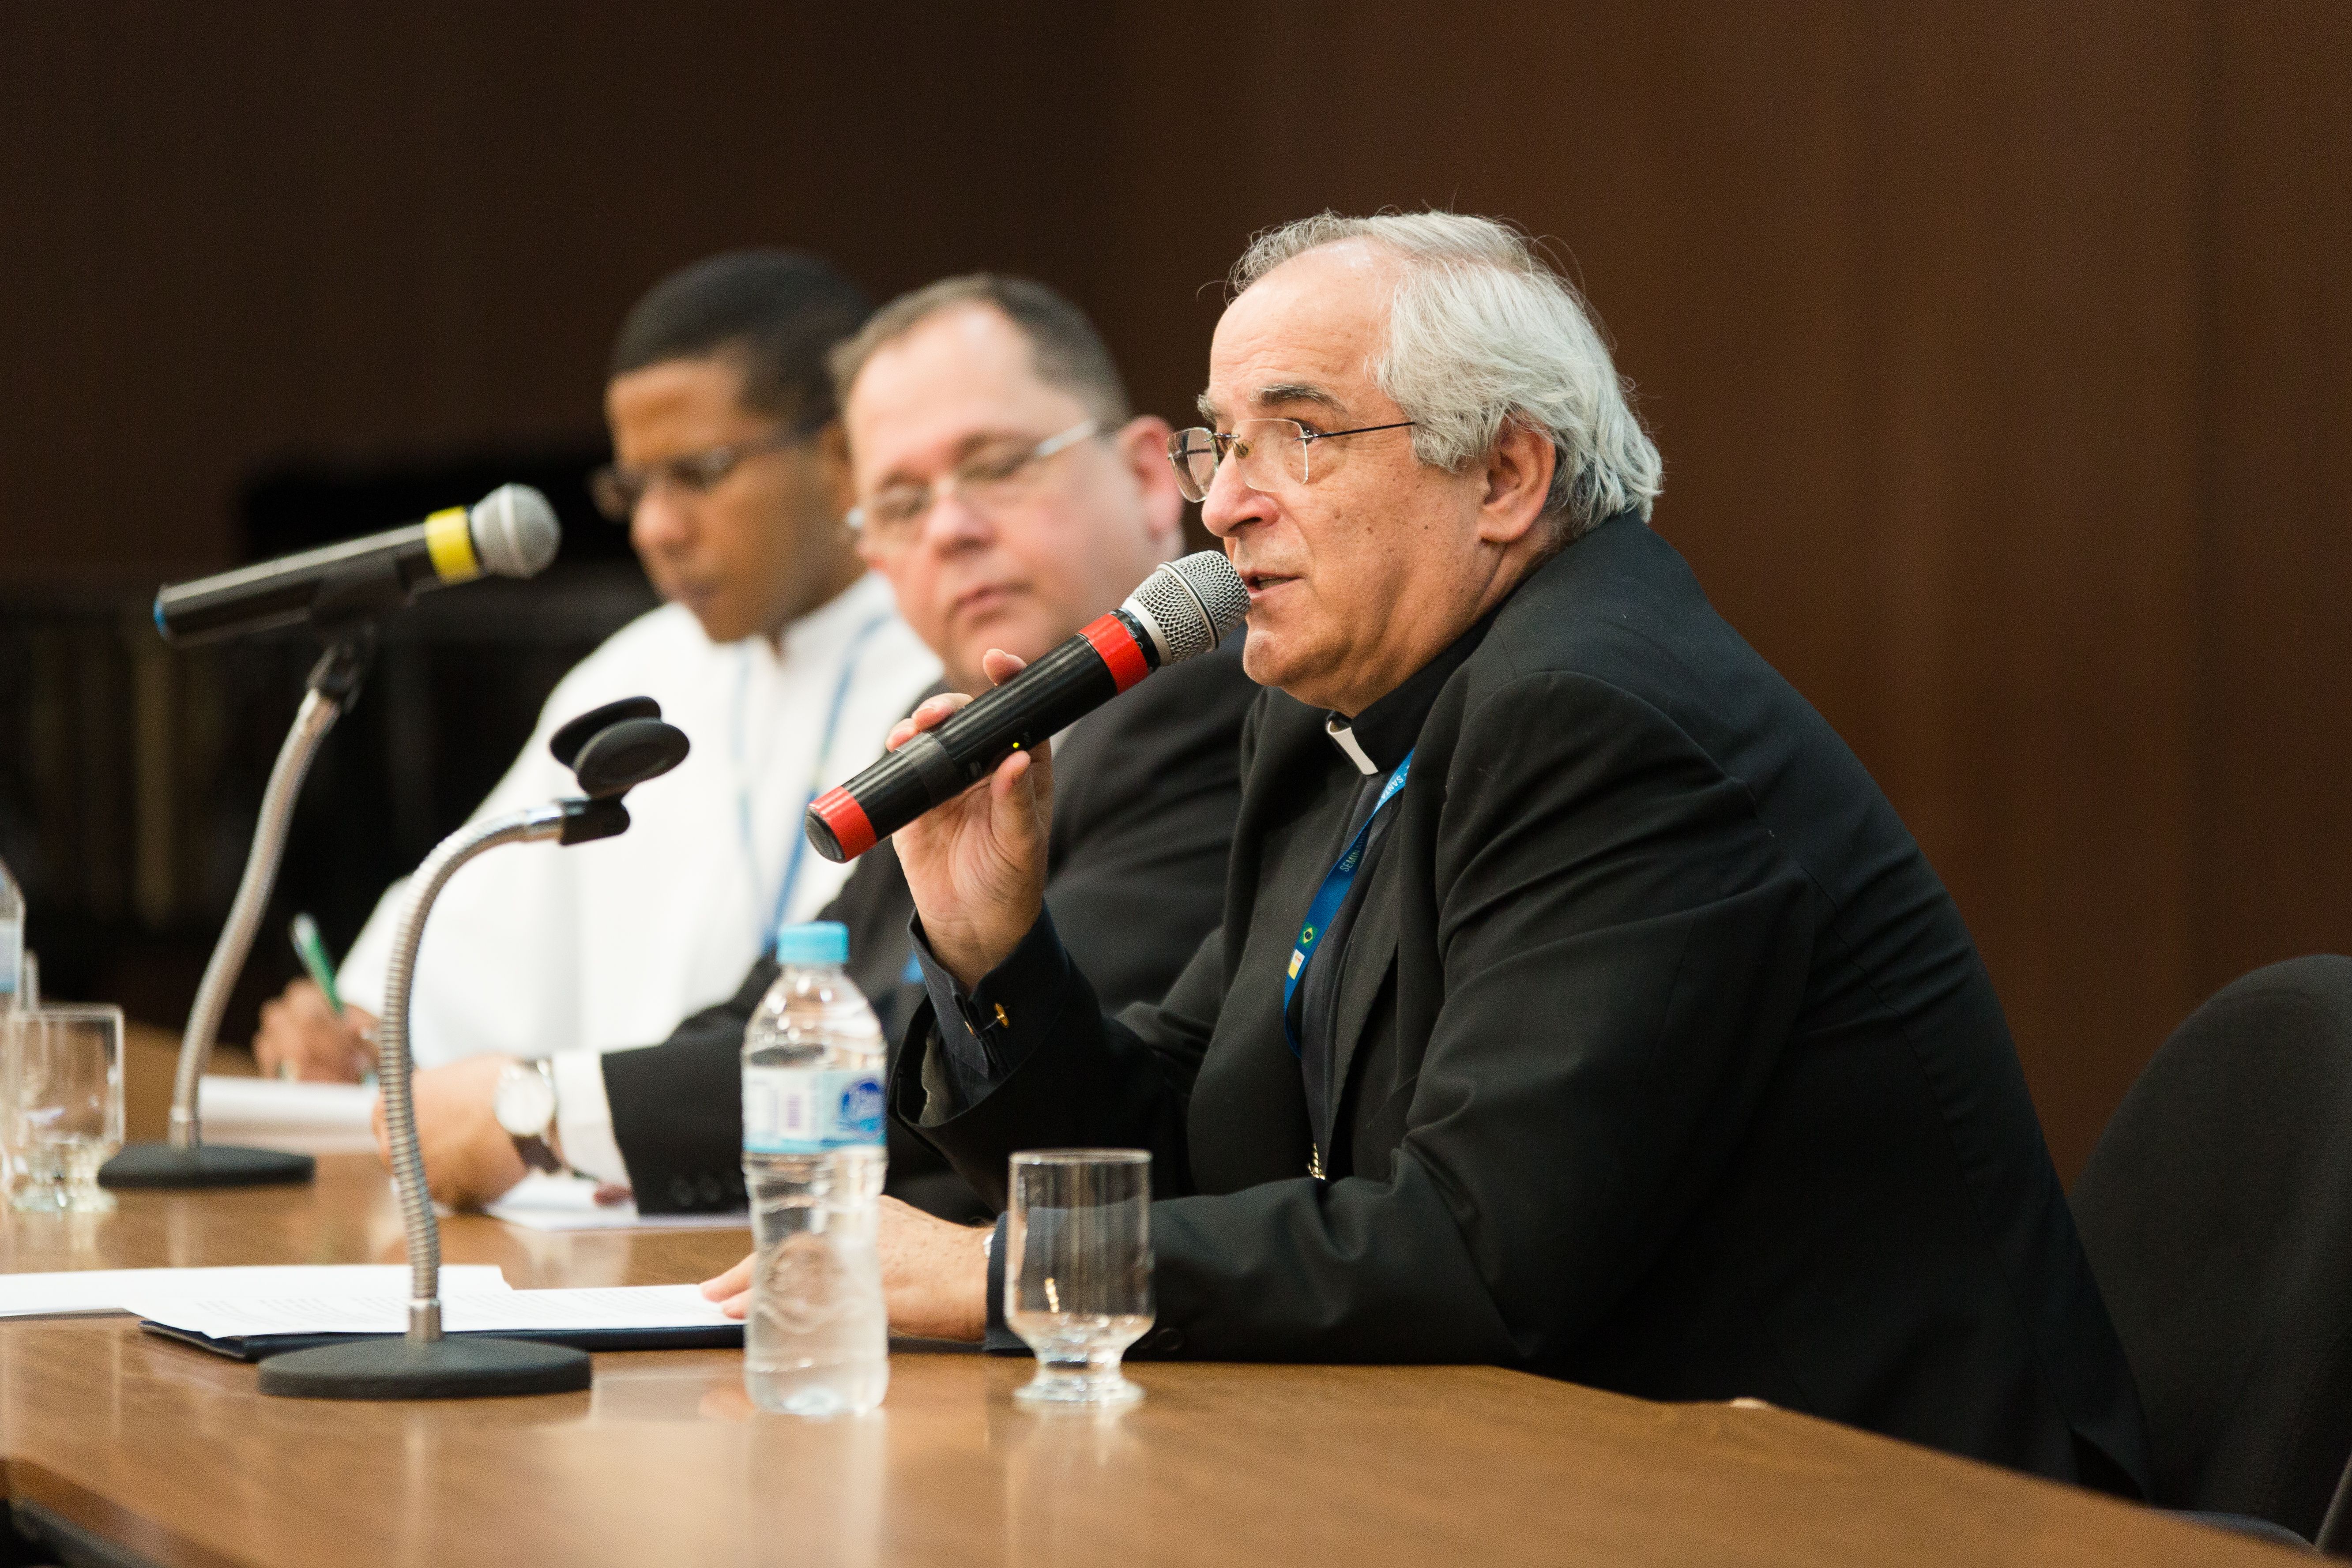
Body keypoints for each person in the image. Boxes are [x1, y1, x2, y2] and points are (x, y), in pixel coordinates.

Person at [702, 213, 2153, 1495]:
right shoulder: (1341, 715)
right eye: (1222, 440)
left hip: (1878, 1498)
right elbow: (1198, 1145)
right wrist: (997, 955)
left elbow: (1479, 1247)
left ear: (1509, 474)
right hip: (1546, 1466)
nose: (1222, 506)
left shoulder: (1601, 718)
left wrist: (1006, 1270)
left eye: (1304, 436)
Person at [388, 276, 1258, 1220]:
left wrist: (554, 1111)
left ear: (1142, 477)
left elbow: (966, 1056)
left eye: (999, 465)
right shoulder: (951, 717)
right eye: (899, 502)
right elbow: (798, 998)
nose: (951, 529)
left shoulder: (1216, 705)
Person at [254, 251, 940, 1079]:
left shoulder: (946, 652)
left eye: (697, 475)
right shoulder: (632, 674)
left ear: (840, 456)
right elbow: (456, 959)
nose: (654, 527)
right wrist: (356, 1033)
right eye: (633, 488)